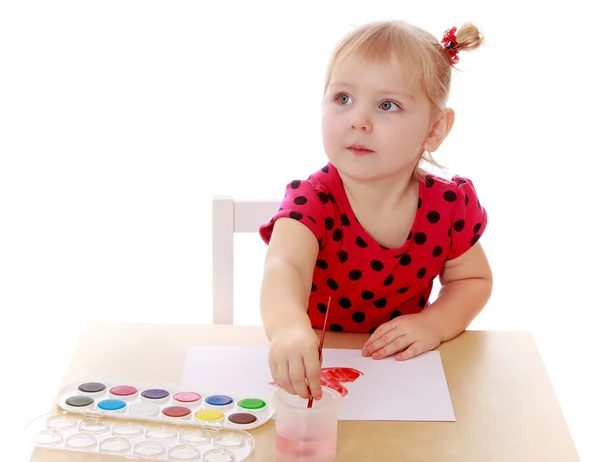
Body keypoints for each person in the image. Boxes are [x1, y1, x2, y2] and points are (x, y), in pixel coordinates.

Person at [258, 19, 493, 401]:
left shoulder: (448, 206)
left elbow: (472, 281)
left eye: (387, 105)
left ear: (435, 129)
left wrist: (433, 323)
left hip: (402, 377)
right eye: (343, 99)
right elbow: (285, 267)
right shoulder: (312, 200)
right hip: (315, 370)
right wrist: (287, 328)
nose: (358, 120)